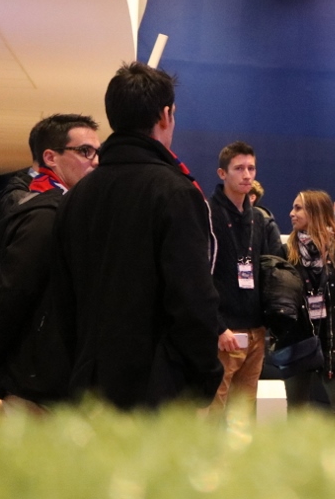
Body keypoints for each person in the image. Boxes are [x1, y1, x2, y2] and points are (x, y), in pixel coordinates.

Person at [53, 63, 224, 408]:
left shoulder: (76, 196)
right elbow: (192, 298)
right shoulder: (175, 192)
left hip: (89, 383)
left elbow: (62, 296)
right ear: (165, 115)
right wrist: (205, 377)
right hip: (158, 390)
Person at [0, 114, 100, 405]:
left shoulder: (71, 208)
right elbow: (12, 294)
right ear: (51, 157)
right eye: (85, 151)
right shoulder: (46, 216)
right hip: (38, 378)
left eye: (98, 152)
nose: (95, 161)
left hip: (61, 375)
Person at [207, 142, 285, 424]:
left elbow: (268, 269)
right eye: (239, 168)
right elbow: (199, 276)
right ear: (222, 173)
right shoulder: (208, 214)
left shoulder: (259, 218)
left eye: (251, 168)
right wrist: (218, 327)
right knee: (213, 414)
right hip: (223, 332)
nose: (247, 175)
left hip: (255, 331)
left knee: (242, 416)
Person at [283, 190, 335, 415]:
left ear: (316, 212)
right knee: (297, 419)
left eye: (298, 208)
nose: (291, 213)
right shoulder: (286, 253)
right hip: (298, 347)